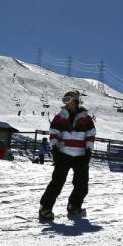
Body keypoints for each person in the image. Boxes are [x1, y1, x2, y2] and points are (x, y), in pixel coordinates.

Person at [38, 90, 96, 220]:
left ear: (75, 101)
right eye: (64, 100)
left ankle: (74, 206)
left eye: (68, 100)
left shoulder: (86, 119)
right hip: (63, 154)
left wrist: (88, 151)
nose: (66, 103)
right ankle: (45, 208)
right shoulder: (60, 116)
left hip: (80, 156)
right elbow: (53, 132)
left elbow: (90, 135)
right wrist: (54, 148)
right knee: (57, 182)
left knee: (82, 184)